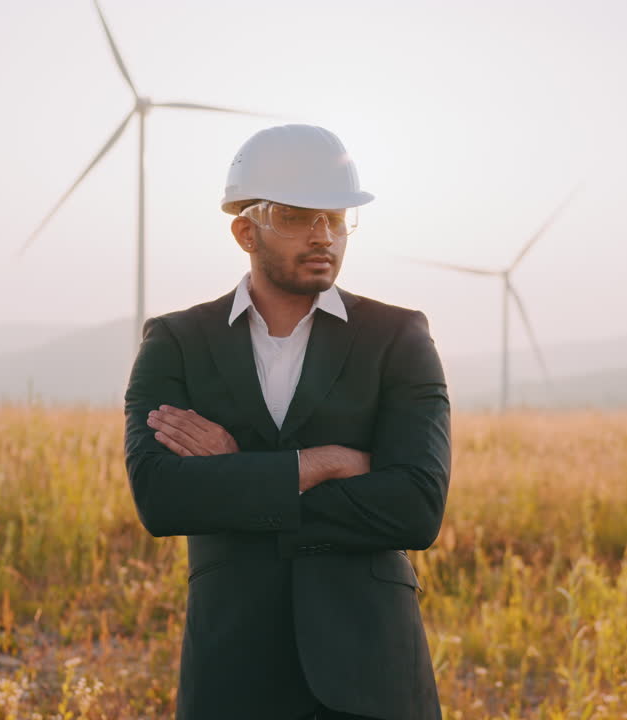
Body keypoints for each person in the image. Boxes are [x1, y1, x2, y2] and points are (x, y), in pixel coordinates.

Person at [123, 124, 451, 720]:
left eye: (336, 217)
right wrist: (317, 467)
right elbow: (160, 497)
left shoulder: (398, 337)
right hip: (232, 671)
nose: (323, 236)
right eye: (298, 217)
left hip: (371, 669)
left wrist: (237, 478)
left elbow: (417, 505)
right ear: (245, 230)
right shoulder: (175, 342)